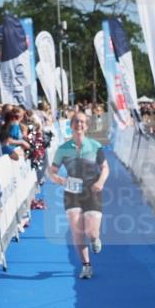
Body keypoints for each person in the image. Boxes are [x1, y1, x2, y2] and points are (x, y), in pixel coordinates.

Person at [48, 112, 109, 280]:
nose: (78, 124)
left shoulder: (95, 146)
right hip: (72, 192)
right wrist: (56, 178)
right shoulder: (63, 149)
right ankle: (86, 266)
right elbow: (52, 171)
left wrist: (101, 182)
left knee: (91, 232)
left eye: (82, 122)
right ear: (71, 125)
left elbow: (105, 167)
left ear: (86, 126)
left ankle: (96, 238)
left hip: (92, 191)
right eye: (75, 121)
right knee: (77, 232)